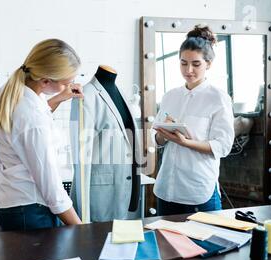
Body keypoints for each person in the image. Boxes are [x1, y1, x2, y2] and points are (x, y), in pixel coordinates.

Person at [0, 39, 83, 231]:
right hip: (31, 210)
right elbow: (51, 188)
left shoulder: (9, 95)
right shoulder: (31, 117)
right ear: (45, 81)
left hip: (12, 203)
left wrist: (58, 97)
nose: (71, 85)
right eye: (67, 82)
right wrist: (82, 229)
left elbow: (26, 125)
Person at [152, 25, 235, 215]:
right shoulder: (170, 96)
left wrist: (185, 142)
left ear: (208, 64)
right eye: (183, 63)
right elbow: (156, 140)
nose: (188, 70)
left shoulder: (218, 97)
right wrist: (164, 134)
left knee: (205, 243)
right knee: (166, 243)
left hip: (198, 190)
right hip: (166, 189)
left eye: (196, 64)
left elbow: (222, 146)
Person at [69, 65, 142, 223]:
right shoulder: (86, 95)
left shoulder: (120, 92)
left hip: (124, 188)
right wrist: (83, 217)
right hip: (100, 195)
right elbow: (81, 158)